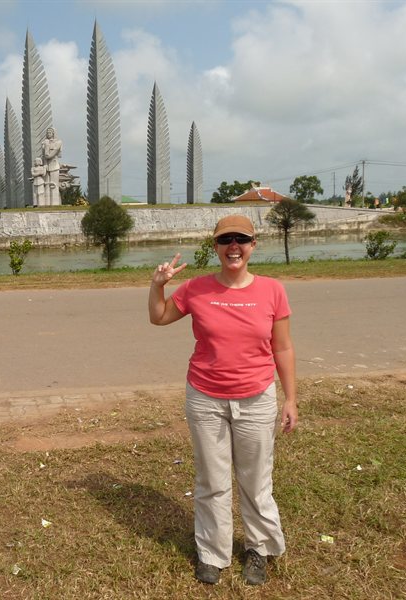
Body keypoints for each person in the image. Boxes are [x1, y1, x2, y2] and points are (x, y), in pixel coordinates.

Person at [148, 214, 298, 586]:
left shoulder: (272, 290)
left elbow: (283, 347)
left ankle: (258, 550)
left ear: (252, 245)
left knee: (255, 480)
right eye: (225, 239)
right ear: (215, 246)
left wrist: (291, 398)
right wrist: (158, 286)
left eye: (241, 239)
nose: (234, 246)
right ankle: (213, 553)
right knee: (212, 480)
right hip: (206, 399)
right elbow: (159, 317)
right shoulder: (196, 289)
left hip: (256, 398)